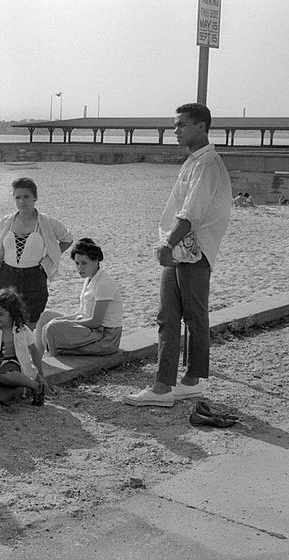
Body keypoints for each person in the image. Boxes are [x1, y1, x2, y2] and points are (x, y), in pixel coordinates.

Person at [124, 103, 231, 407]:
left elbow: (191, 213)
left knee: (190, 316)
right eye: (175, 125)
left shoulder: (207, 163)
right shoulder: (194, 161)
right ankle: (173, 383)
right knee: (169, 316)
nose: (175, 130)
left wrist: (167, 244)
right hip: (186, 249)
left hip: (193, 250)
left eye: (181, 125)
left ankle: (182, 383)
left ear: (201, 127)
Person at [0, 177, 73, 330]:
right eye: (17, 197)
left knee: (30, 326)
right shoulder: (5, 222)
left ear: (35, 197)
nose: (22, 201)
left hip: (34, 278)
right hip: (7, 276)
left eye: (26, 196)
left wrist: (49, 258)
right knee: (5, 323)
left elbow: (67, 238)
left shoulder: (46, 222)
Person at [36, 238, 124, 356]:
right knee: (44, 316)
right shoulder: (89, 278)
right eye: (77, 263)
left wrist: (63, 323)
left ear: (96, 261)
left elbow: (96, 322)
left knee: (52, 328)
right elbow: (81, 313)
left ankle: (54, 358)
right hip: (90, 329)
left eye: (84, 263)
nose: (80, 268)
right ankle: (39, 358)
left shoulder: (104, 283)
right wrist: (63, 320)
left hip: (105, 336)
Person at [0, 288, 46, 406]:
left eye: (0, 314)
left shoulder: (22, 330)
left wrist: (40, 373)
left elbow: (34, 351)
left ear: (12, 313)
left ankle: (35, 386)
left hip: (12, 364)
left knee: (4, 376)